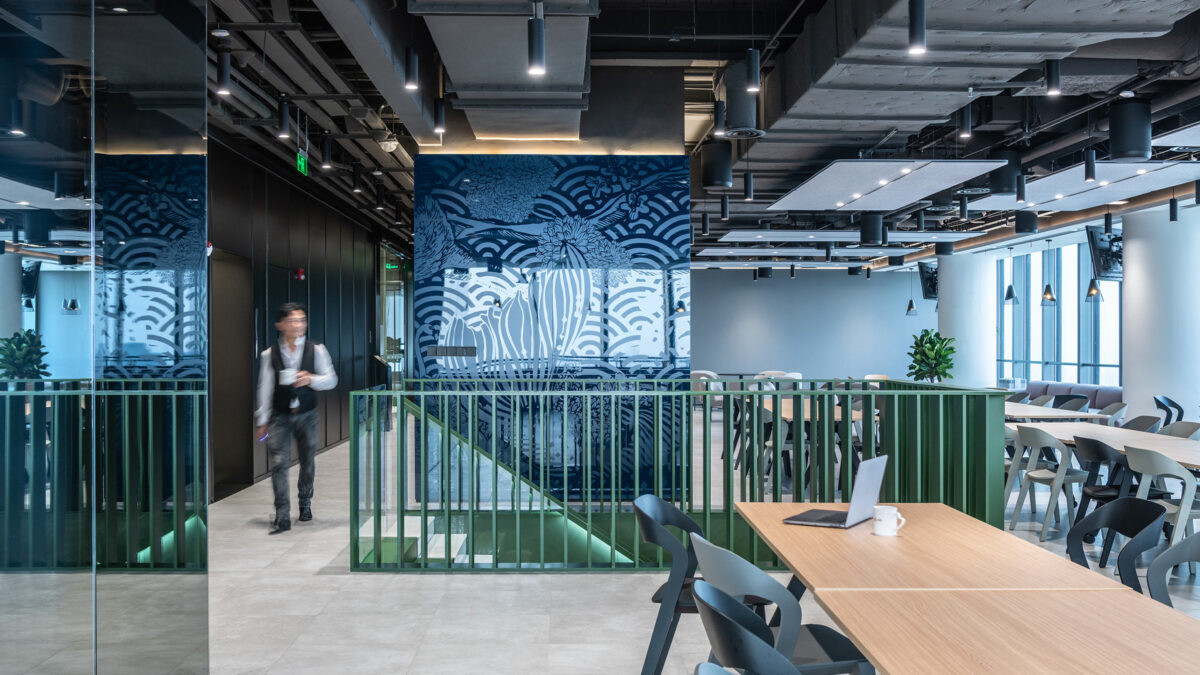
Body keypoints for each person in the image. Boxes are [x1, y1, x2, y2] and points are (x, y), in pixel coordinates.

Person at [255, 302, 337, 534]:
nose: (299, 325)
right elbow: (264, 387)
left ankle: (305, 501)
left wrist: (310, 379)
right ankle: (282, 513)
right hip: (279, 417)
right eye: (293, 320)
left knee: (307, 461)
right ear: (280, 324)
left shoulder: (317, 350)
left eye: (302, 320)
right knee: (279, 464)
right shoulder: (268, 354)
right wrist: (262, 421)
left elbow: (332, 380)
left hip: (308, 415)